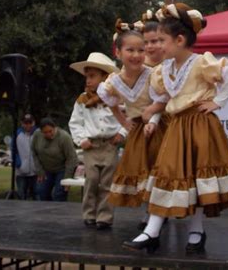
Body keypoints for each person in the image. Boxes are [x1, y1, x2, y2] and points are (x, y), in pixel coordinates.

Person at [122, 3, 228, 254]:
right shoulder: (163, 70)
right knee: (167, 175)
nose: (156, 46)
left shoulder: (201, 63)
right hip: (178, 127)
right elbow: (165, 101)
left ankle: (194, 231)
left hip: (200, 126)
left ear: (179, 40)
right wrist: (154, 121)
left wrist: (218, 102)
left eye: (161, 40)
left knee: (198, 180)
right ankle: (153, 231)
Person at [97, 19, 168, 216]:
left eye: (141, 50)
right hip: (138, 129)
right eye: (130, 50)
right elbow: (111, 102)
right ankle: (149, 214)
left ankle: (160, 214)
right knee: (141, 170)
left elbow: (163, 100)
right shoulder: (113, 82)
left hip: (160, 125)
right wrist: (123, 122)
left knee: (159, 168)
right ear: (118, 53)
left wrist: (152, 115)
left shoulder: (153, 75)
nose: (137, 55)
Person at [69, 52, 127, 230]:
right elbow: (75, 122)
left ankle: (105, 217)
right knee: (92, 180)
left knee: (107, 183)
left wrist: (122, 134)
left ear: (104, 77)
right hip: (91, 146)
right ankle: (89, 214)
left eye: (92, 76)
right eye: (86, 76)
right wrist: (81, 139)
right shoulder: (82, 100)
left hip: (109, 145)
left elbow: (128, 117)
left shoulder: (116, 98)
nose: (88, 80)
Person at [32, 117, 78, 202]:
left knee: (59, 194)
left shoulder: (64, 137)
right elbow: (34, 152)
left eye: (50, 131)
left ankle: (59, 213)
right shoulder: (37, 135)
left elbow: (71, 158)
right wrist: (39, 170)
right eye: (45, 132)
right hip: (46, 169)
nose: (49, 134)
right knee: (41, 191)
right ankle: (45, 212)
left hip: (62, 169)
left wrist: (67, 178)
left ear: (55, 128)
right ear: (41, 131)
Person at [14, 114, 38, 200]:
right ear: (22, 123)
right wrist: (18, 163)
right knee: (21, 194)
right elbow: (13, 150)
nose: (28, 125)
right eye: (25, 123)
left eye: (30, 123)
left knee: (37, 194)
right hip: (21, 172)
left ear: (33, 123)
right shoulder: (17, 134)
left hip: (36, 171)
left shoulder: (38, 134)